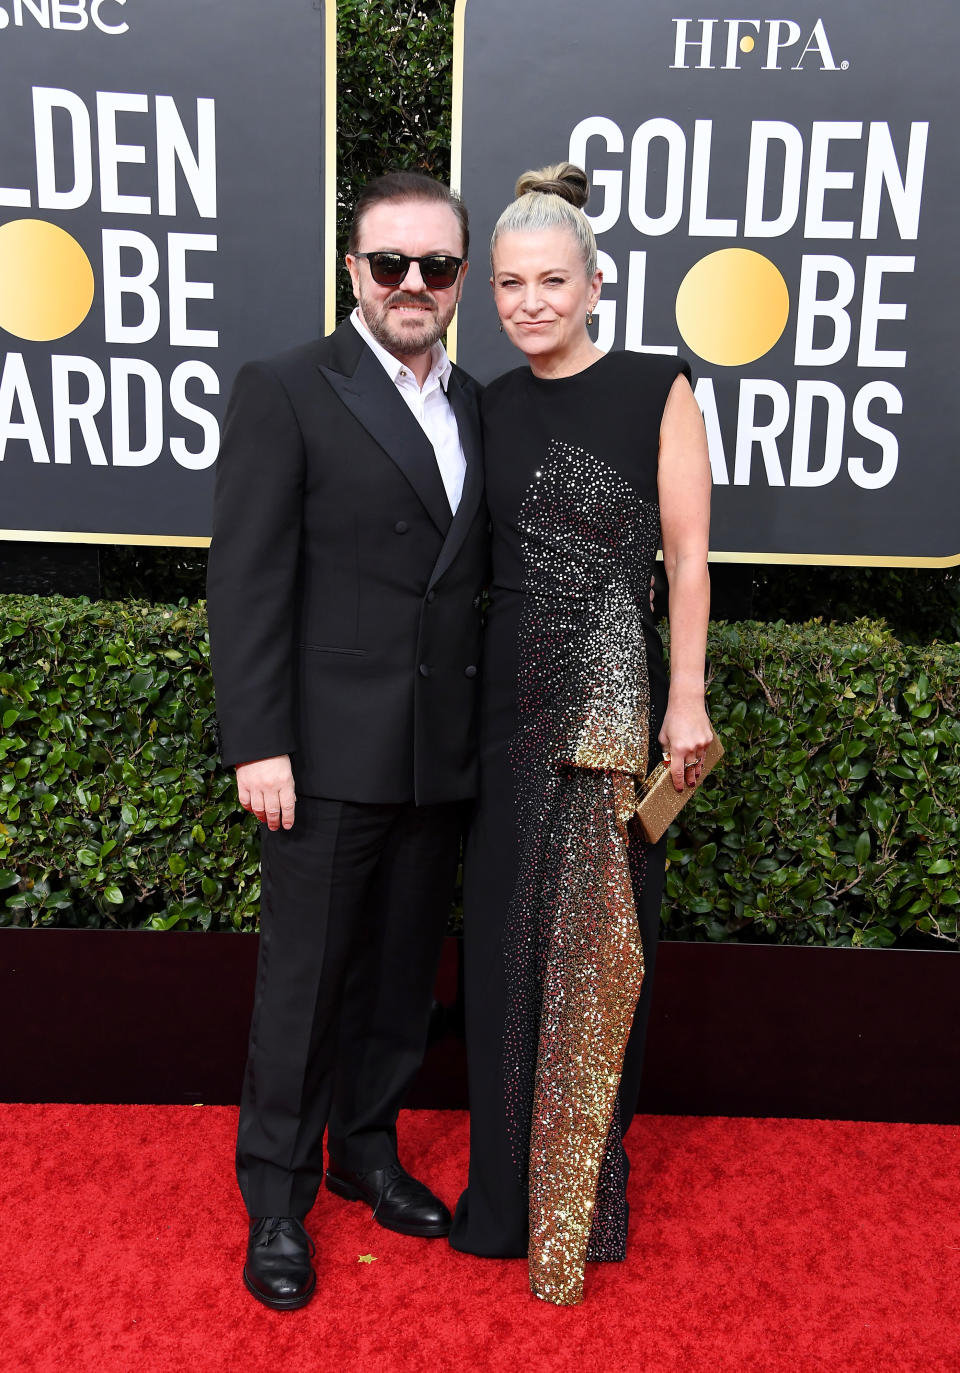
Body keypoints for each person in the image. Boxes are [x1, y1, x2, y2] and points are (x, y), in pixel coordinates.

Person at [206, 171, 487, 1311]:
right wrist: (256, 740)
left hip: (439, 756)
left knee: (399, 976)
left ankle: (368, 1149)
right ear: (352, 271)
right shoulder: (286, 389)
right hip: (320, 757)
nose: (413, 284)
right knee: (304, 981)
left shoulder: (479, 400)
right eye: (390, 264)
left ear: (461, 278)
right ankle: (276, 1195)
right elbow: (247, 580)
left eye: (436, 265)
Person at [448, 163, 712, 1305]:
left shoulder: (659, 386)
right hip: (506, 709)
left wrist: (685, 695)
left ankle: (581, 1195)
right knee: (506, 948)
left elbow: (689, 561)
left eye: (552, 279)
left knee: (601, 953)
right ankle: (504, 1199)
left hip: (610, 707)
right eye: (510, 282)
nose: (530, 301)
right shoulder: (488, 404)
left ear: (597, 283)